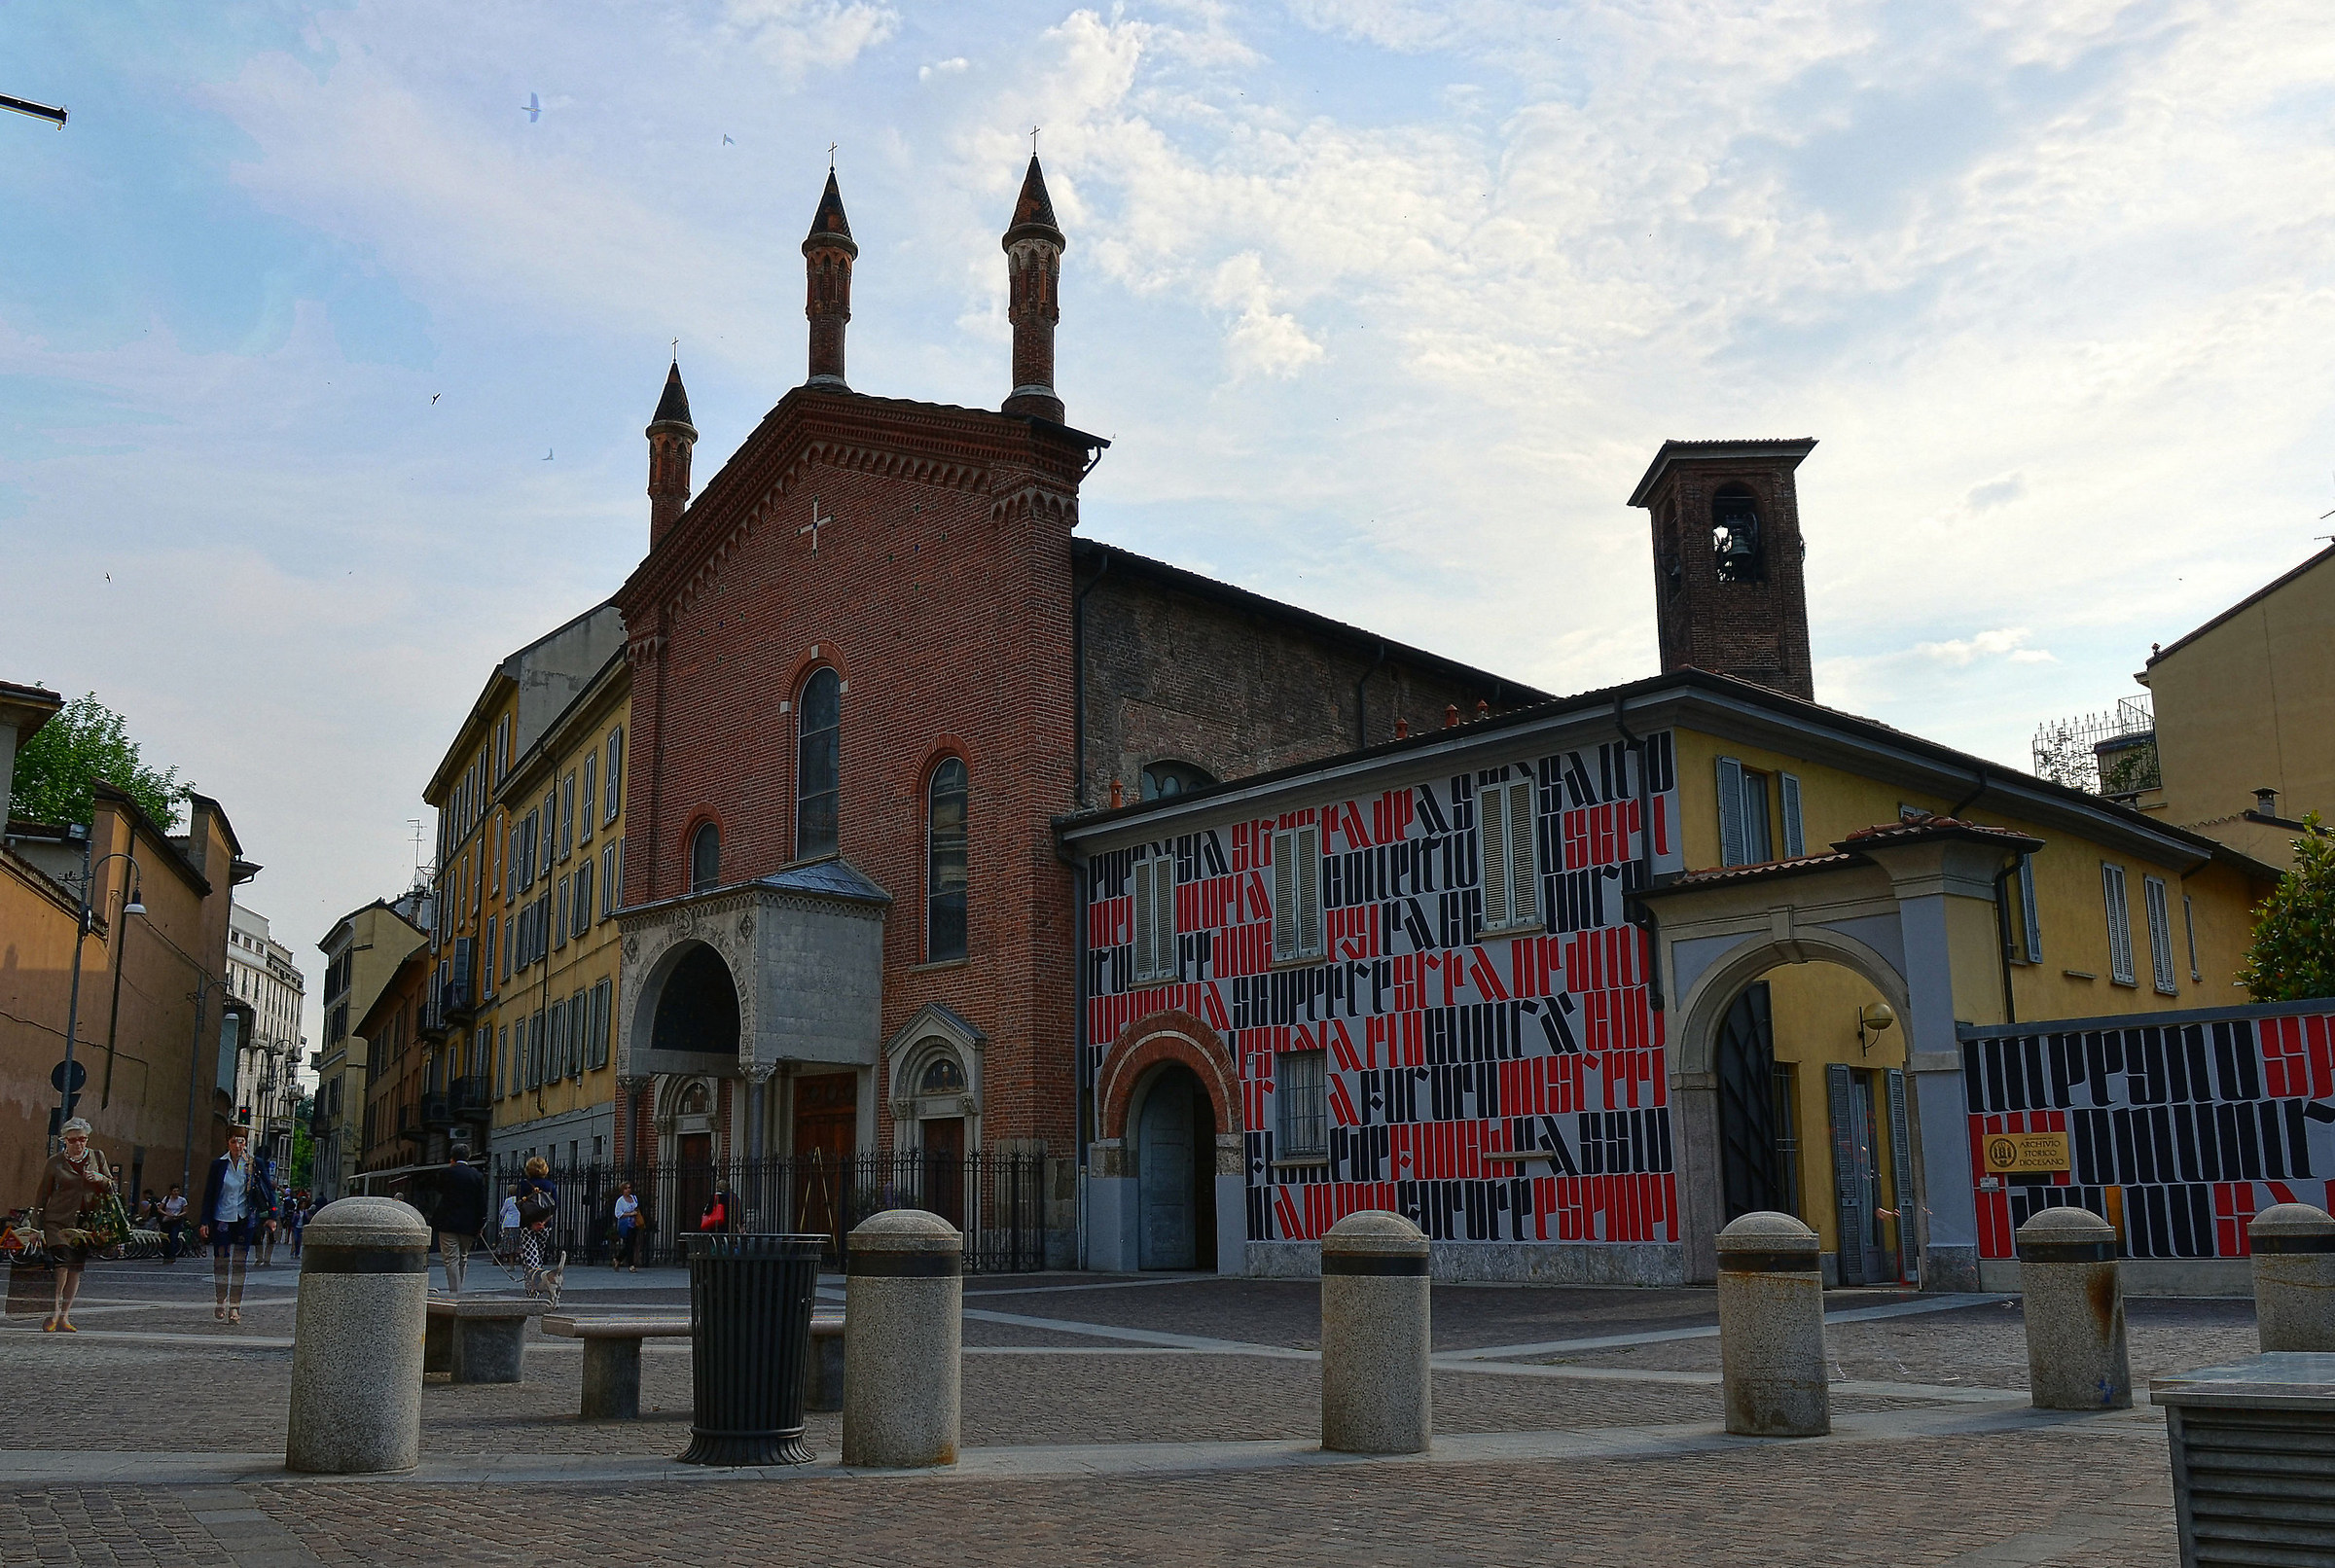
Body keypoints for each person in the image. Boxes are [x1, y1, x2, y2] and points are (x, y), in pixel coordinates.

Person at [33, 1118, 115, 1332]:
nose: (79, 1143)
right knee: (61, 1264)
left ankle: (65, 1316)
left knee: (76, 1268)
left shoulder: (97, 1157)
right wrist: (35, 1226)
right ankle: (54, 1311)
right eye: (73, 1140)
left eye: (82, 1139)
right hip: (57, 1220)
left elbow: (111, 1187)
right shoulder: (55, 1162)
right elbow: (42, 1195)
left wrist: (100, 1178)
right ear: (65, 1140)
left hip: (85, 1223)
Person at [199, 1127, 272, 1325]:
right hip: (222, 1218)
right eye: (234, 1141)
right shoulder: (218, 1165)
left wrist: (272, 1216)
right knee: (221, 1262)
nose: (238, 1146)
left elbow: (268, 1190)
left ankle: (235, 1306)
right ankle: (220, 1299)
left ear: (246, 1143)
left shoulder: (254, 1164)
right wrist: (204, 1221)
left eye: (241, 1141)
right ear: (228, 1143)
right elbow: (209, 1194)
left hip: (244, 1219)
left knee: (239, 1264)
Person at [430, 1148, 487, 1296]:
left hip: (447, 1222)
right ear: (468, 1157)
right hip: (469, 1223)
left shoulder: (445, 1173)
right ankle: (458, 1288)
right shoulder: (476, 1175)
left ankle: (455, 1291)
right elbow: (481, 1202)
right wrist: (481, 1223)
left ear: (452, 1158)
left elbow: (439, 1189)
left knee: (451, 1259)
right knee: (463, 1257)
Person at [515, 1157, 564, 1303]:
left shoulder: (523, 1185)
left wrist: (532, 1223)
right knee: (540, 1256)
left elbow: (519, 1205)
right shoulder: (550, 1185)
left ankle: (532, 1290)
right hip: (545, 1226)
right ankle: (538, 1285)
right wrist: (542, 1222)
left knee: (530, 1257)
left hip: (527, 1226)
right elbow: (554, 1206)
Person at [610, 1183, 640, 1270]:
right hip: (626, 1225)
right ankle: (631, 1265)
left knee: (630, 1245)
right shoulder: (620, 1201)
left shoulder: (634, 1198)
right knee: (629, 1244)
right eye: (626, 1188)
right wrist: (630, 1214)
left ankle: (617, 1259)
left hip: (634, 1224)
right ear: (622, 1190)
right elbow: (618, 1214)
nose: (628, 1190)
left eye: (629, 1188)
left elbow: (637, 1208)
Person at [159, 1185, 188, 1265]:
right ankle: (166, 1255)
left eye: (177, 1191)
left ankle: (172, 1256)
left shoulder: (182, 1200)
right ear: (171, 1192)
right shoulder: (167, 1199)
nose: (176, 1193)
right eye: (174, 1191)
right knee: (165, 1239)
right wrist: (166, 1214)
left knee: (173, 1238)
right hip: (166, 1221)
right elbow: (159, 1209)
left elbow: (185, 1211)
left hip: (176, 1221)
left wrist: (179, 1215)